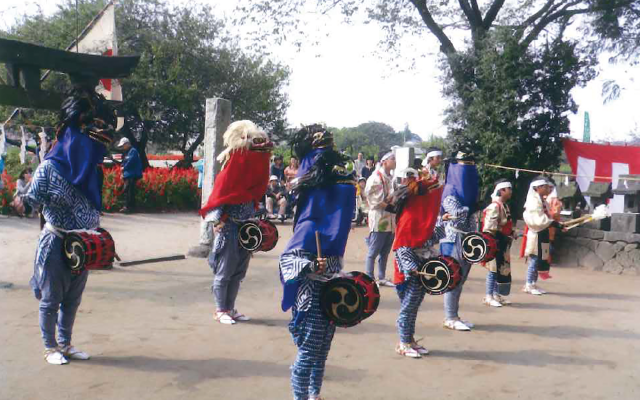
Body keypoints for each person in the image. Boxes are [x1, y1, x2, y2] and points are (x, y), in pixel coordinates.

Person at [25, 85, 116, 365]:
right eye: (94, 127)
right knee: (52, 299)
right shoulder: (50, 168)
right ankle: (50, 346)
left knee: (72, 300)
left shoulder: (92, 169)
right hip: (56, 242)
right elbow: (32, 199)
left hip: (84, 243)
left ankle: (65, 343)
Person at [278, 124, 356, 400]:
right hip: (311, 298)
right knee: (309, 352)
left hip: (332, 295)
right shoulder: (310, 225)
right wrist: (311, 266)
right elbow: (287, 262)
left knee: (323, 350)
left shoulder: (332, 225)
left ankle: (314, 394)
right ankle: (300, 397)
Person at [200, 120, 272, 324]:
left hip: (246, 227)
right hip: (229, 225)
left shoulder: (254, 174)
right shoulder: (232, 169)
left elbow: (256, 198)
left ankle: (230, 308)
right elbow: (218, 196)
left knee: (239, 271)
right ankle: (220, 309)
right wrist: (217, 223)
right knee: (225, 270)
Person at [392, 168, 443, 358]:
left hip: (423, 263)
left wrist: (442, 225)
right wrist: (410, 268)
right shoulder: (411, 216)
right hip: (409, 270)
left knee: (415, 305)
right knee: (408, 305)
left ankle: (410, 339)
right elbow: (401, 245)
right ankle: (403, 342)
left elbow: (429, 239)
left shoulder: (424, 217)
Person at [437, 149, 479, 331]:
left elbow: (468, 216)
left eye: (471, 165)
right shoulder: (449, 190)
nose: (468, 169)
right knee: (453, 277)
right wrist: (471, 208)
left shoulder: (471, 191)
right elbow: (457, 216)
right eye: (465, 165)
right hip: (452, 237)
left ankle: (454, 314)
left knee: (461, 279)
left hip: (467, 237)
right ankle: (449, 317)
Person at [522, 177, 563, 296]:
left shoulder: (542, 200)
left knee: (540, 259)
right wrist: (554, 223)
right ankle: (528, 284)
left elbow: (547, 217)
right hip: (536, 233)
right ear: (538, 188)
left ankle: (533, 283)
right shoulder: (533, 201)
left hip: (543, 232)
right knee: (534, 259)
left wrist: (555, 222)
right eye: (545, 186)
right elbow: (538, 220)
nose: (547, 188)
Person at [364, 151, 396, 287]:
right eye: (392, 159)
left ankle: (381, 277)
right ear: (384, 161)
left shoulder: (390, 177)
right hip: (380, 218)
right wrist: (392, 207)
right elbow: (374, 200)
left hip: (390, 219)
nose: (395, 161)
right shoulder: (376, 178)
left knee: (385, 251)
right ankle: (369, 279)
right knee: (374, 251)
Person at [481, 179, 514, 307]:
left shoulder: (504, 205)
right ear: (501, 190)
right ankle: (488, 296)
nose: (511, 192)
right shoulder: (495, 206)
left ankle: (495, 294)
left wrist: (511, 232)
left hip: (502, 242)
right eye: (508, 189)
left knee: (499, 269)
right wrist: (503, 232)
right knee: (492, 270)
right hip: (494, 242)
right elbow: (489, 227)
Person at [117, 137, 142, 213]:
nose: (122, 147)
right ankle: (131, 207)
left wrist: (123, 168)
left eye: (123, 145)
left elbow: (130, 162)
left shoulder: (133, 151)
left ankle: (127, 207)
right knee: (129, 191)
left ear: (127, 144)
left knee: (128, 191)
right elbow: (124, 162)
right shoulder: (127, 152)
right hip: (127, 174)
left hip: (132, 174)